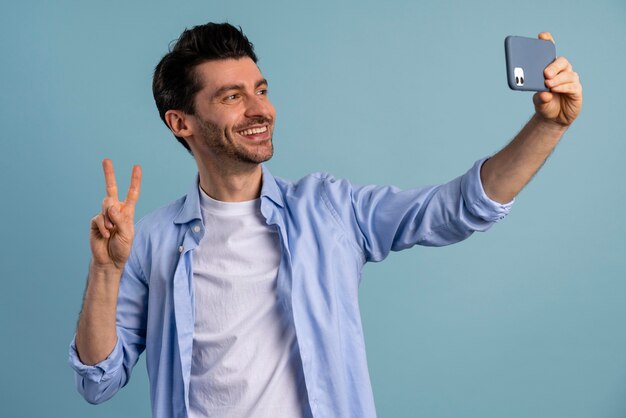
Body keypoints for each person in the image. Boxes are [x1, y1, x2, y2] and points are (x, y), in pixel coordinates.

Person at [68, 22, 582, 418]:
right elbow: (98, 380)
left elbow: (458, 209)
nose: (260, 109)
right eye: (232, 96)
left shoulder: (328, 210)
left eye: (260, 89)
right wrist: (106, 273)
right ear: (181, 122)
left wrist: (547, 127)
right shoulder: (152, 241)